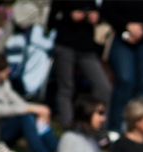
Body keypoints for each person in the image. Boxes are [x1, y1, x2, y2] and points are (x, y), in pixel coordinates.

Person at [100, 1, 143, 137]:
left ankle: (141, 128)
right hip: (121, 37)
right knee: (124, 80)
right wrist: (126, 26)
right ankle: (115, 128)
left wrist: (141, 29)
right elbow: (107, 9)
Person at [0, 53, 57, 152]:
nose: (8, 71)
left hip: (6, 124)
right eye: (5, 69)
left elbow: (18, 101)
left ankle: (55, 149)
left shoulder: (4, 83)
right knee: (25, 116)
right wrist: (30, 108)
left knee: (32, 114)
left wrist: (35, 109)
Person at [48, 1, 112, 129]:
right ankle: (70, 128)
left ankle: (98, 129)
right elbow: (51, 21)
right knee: (66, 88)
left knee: (104, 87)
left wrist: (97, 17)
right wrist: (70, 16)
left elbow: (105, 16)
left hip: (87, 48)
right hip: (65, 46)